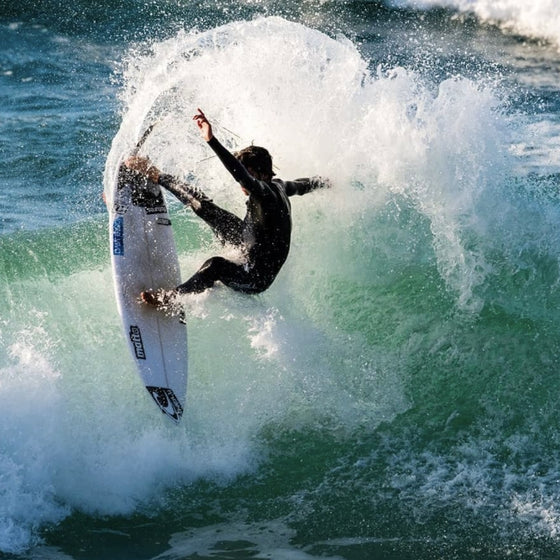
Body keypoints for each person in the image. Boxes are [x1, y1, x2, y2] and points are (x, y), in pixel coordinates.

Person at [125, 108, 330, 311]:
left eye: (249, 175)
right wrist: (326, 182)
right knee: (205, 207)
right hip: (246, 242)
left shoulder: (264, 193)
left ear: (261, 173)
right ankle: (155, 174)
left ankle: (171, 299)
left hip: (254, 277)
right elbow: (303, 185)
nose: (243, 183)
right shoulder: (279, 186)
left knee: (215, 266)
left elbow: (240, 174)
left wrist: (211, 140)